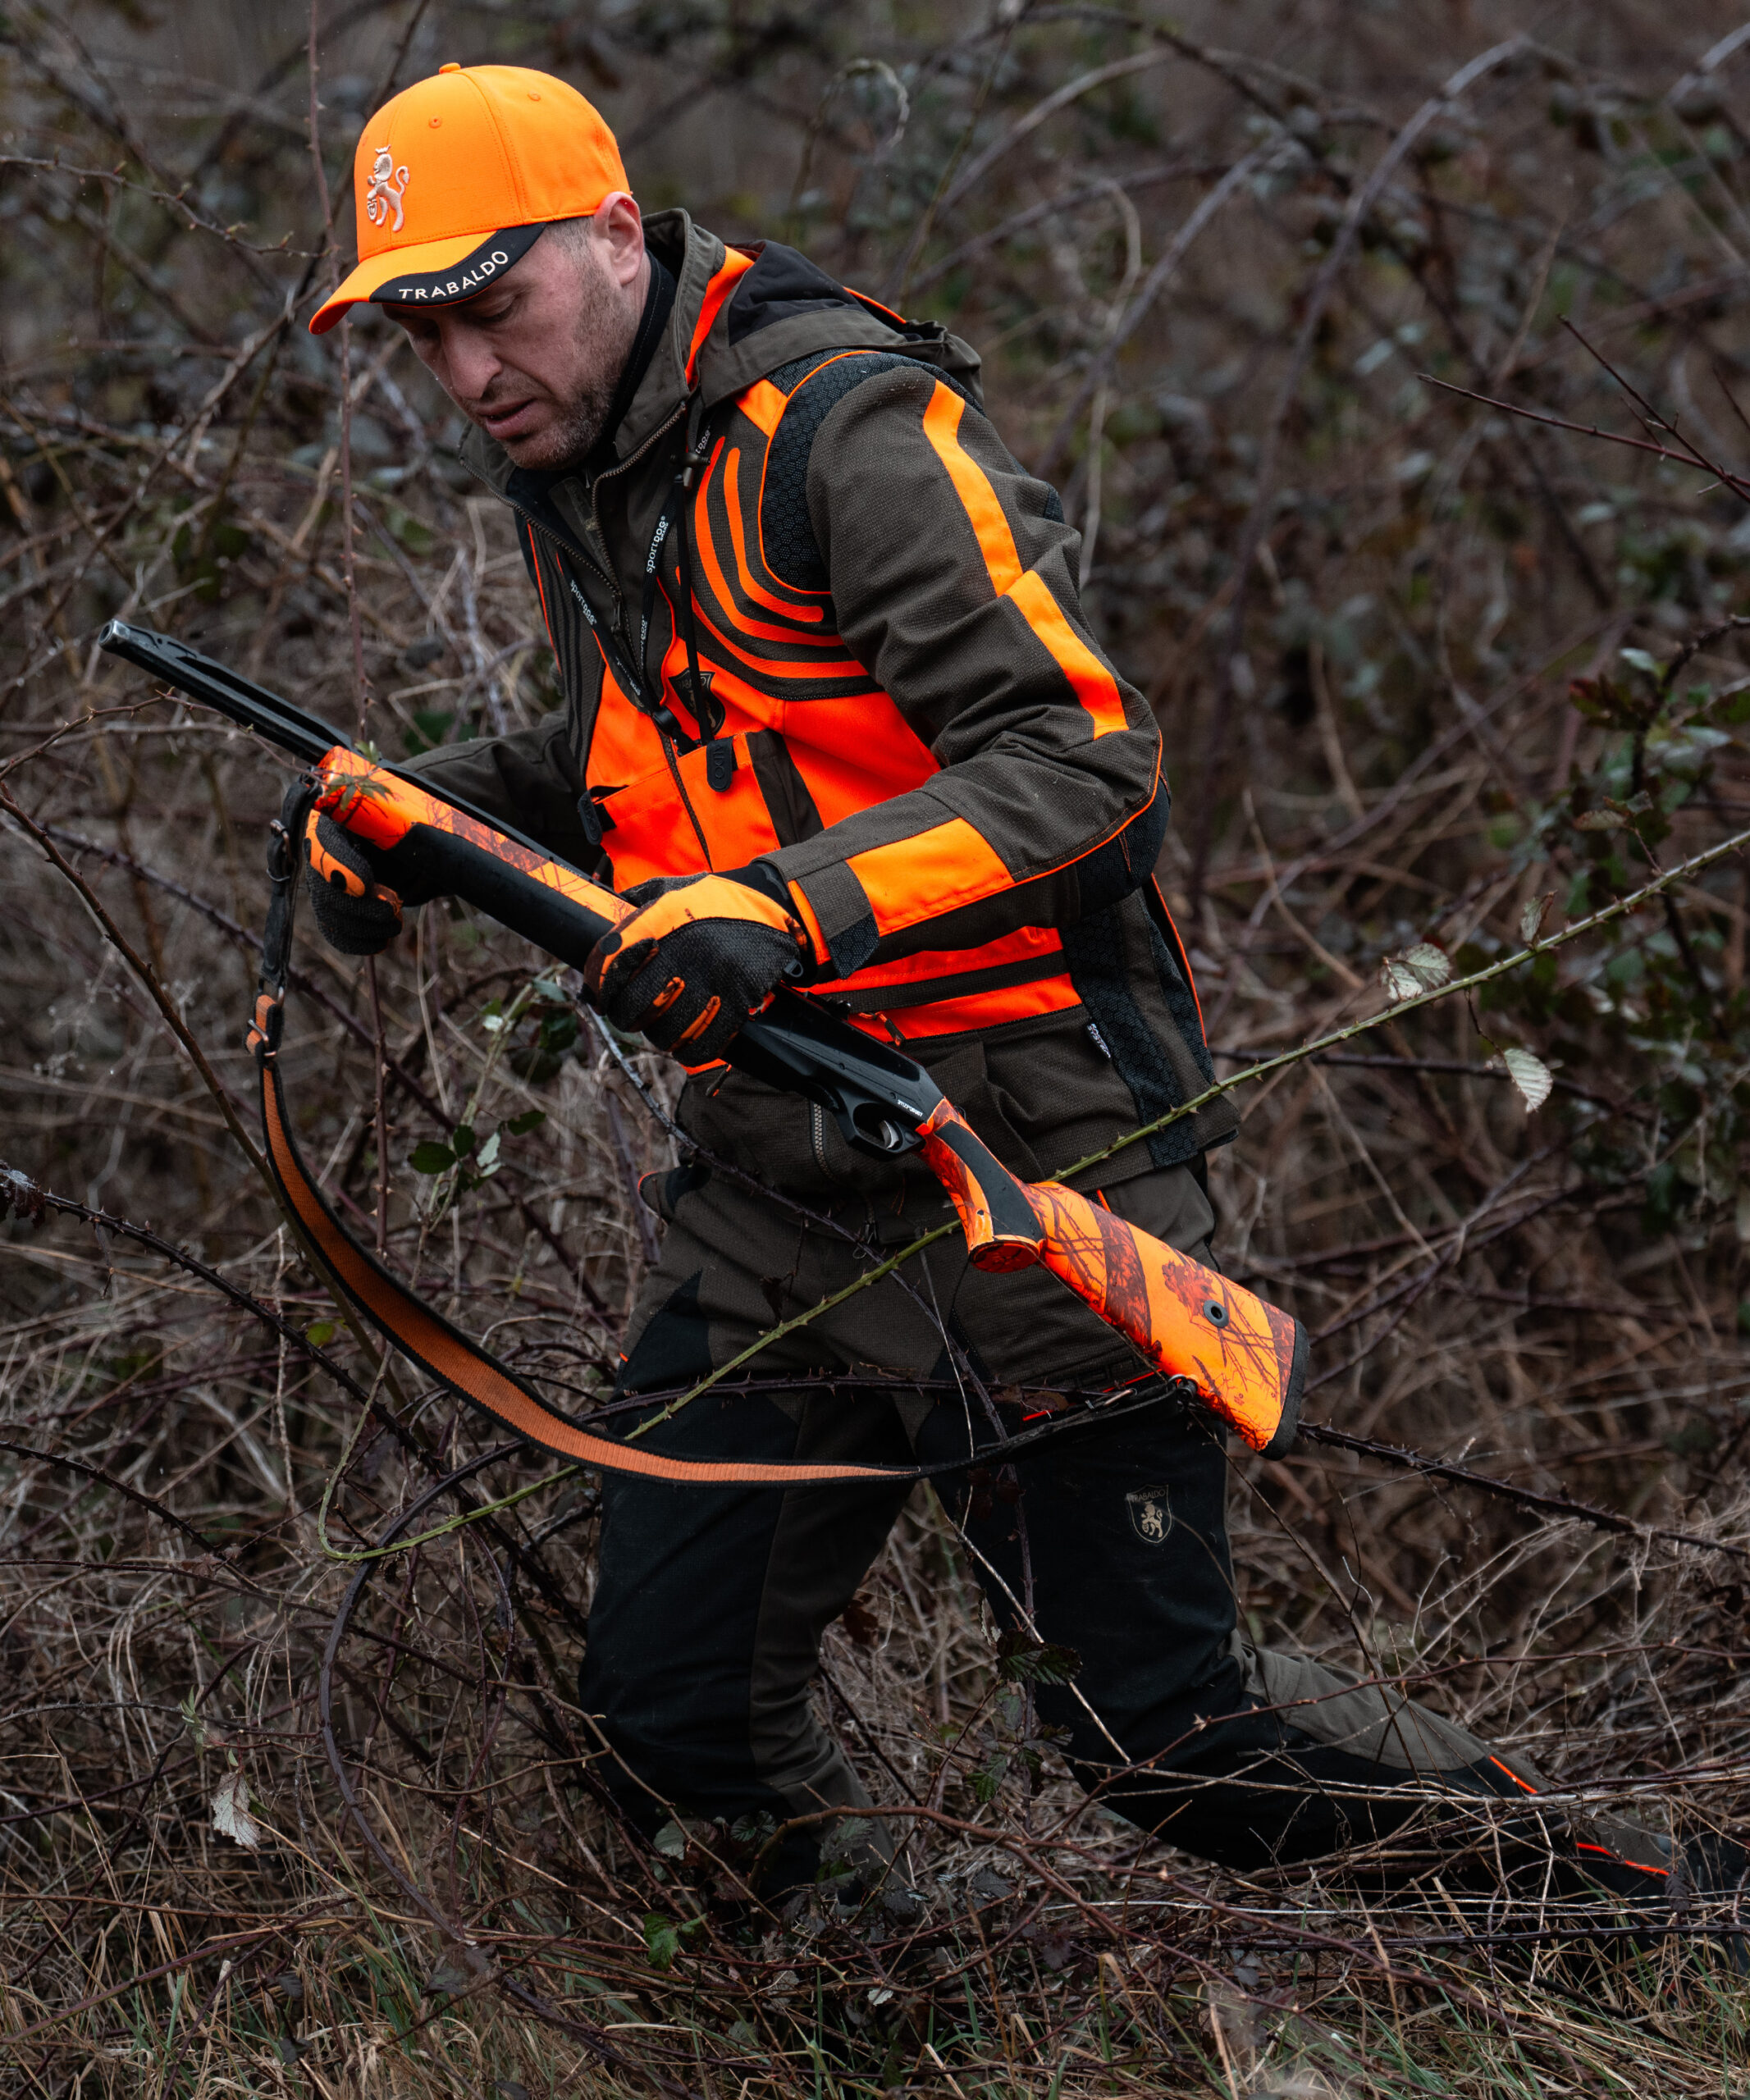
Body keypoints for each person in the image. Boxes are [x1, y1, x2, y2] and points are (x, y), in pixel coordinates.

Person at [303, 61, 1721, 1917]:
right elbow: (680, 752)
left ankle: (1669, 1905)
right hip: (776, 1183)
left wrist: (778, 918)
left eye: (493, 307)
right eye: (423, 336)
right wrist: (432, 815)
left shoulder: (841, 431)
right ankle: (903, 2009)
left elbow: (1083, 758)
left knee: (1172, 1743)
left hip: (1028, 1154)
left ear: (606, 232)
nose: (470, 372)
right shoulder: (582, 457)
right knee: (670, 1716)